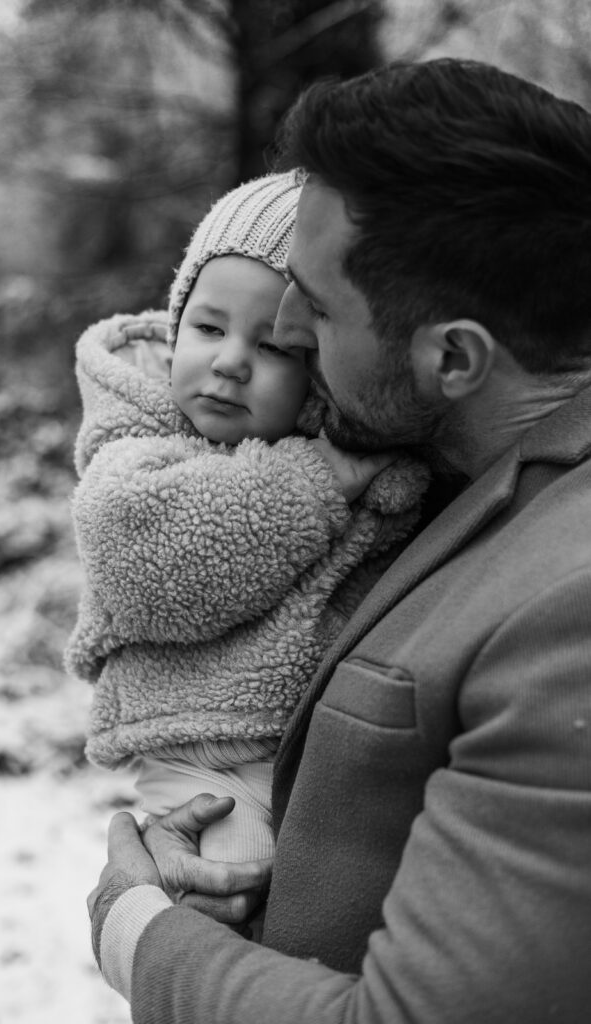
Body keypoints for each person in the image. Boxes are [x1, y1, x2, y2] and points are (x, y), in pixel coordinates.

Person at [87, 58, 591, 1023]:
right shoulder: (447, 471)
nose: (277, 327)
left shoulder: (570, 604)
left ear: (452, 356)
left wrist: (138, 933)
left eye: (311, 308)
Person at [66, 172, 430, 948]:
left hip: (319, 760)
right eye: (207, 327)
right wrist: (315, 480)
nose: (230, 361)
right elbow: (146, 560)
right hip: (210, 762)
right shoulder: (138, 440)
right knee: (240, 906)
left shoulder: (357, 450)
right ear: (173, 325)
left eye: (269, 344)